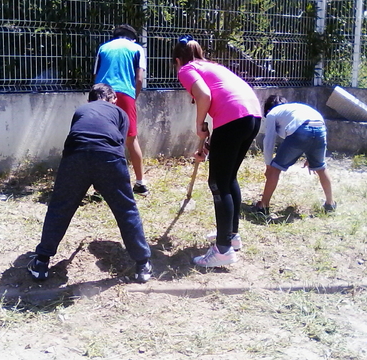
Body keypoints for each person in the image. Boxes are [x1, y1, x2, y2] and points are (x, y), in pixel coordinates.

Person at [28, 83, 152, 283]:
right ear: (114, 100)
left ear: (89, 100)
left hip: (75, 156)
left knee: (60, 207)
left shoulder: (81, 110)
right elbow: (118, 146)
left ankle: (41, 262)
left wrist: (88, 175)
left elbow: (77, 137)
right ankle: (142, 264)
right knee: (126, 209)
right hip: (109, 157)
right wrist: (104, 178)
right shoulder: (120, 113)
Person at [172, 35, 263, 268]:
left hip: (234, 118)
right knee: (229, 177)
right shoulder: (211, 66)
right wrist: (209, 145)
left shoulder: (187, 69)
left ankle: (222, 251)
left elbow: (204, 95)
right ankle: (231, 237)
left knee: (218, 183)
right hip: (251, 115)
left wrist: (199, 124)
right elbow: (224, 107)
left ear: (177, 60)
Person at [254, 95, 336, 213]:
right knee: (321, 168)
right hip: (320, 128)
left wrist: (268, 165)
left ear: (267, 110)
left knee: (275, 169)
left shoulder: (272, 113)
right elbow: (316, 128)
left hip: (300, 130)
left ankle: (263, 205)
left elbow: (269, 141)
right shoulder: (296, 108)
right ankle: (330, 204)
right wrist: (312, 154)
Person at [94, 24, 149, 196]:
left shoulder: (103, 48)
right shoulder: (136, 48)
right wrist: (133, 98)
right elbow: (139, 78)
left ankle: (99, 188)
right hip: (125, 94)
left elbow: (95, 75)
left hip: (101, 92)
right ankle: (140, 184)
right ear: (132, 37)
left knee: (101, 139)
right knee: (131, 139)